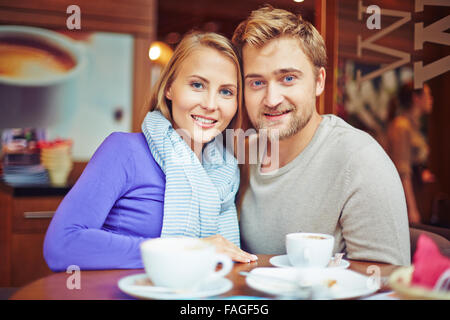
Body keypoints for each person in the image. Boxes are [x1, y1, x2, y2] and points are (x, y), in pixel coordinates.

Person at [44, 31, 257, 272]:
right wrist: (188, 251)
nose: (210, 104)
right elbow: (62, 245)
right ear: (169, 88)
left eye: (226, 91)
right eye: (197, 85)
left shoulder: (227, 171)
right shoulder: (124, 151)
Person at [231, 5, 411, 265]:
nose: (271, 99)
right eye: (257, 83)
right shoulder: (239, 156)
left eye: (288, 78)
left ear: (318, 81)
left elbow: (386, 282)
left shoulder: (360, 160)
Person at [386, 82, 435, 224]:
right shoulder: (402, 126)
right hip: (406, 198)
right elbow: (403, 171)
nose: (431, 99)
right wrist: (411, 209)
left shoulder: (413, 125)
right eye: (428, 95)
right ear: (416, 98)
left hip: (419, 193)